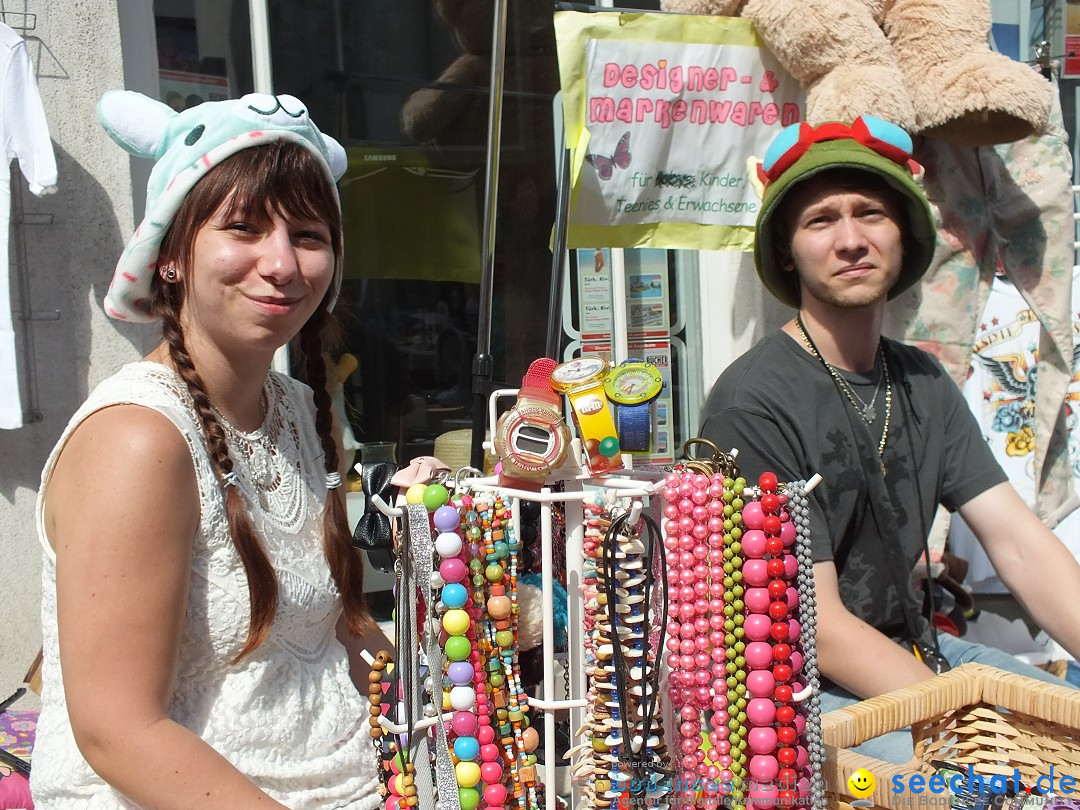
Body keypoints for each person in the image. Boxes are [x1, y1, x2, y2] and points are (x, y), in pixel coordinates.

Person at [32, 91, 389, 808]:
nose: (282, 263)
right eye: (244, 228)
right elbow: (118, 731)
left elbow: (333, 630)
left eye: (309, 235)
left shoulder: (297, 408)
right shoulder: (139, 439)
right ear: (169, 254)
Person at [700, 115, 1080, 763]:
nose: (851, 239)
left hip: (913, 650)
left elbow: (1018, 544)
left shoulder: (924, 379)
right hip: (792, 700)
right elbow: (817, 629)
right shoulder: (751, 403)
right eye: (822, 221)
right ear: (789, 251)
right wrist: (976, 727)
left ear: (902, 233)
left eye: (871, 213)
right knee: (1005, 779)